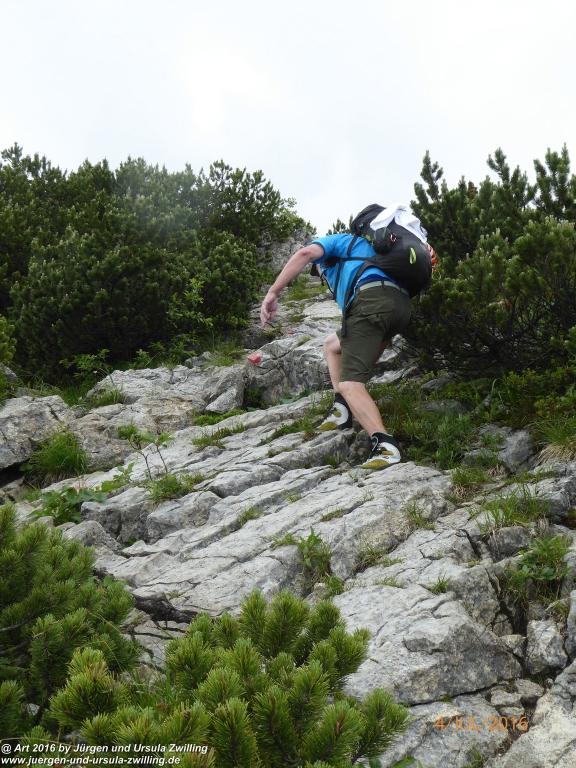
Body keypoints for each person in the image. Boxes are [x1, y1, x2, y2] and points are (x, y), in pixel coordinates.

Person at [260, 203, 421, 470]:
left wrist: (273, 292)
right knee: (332, 345)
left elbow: (305, 252)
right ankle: (342, 410)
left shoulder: (340, 242)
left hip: (372, 302)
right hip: (399, 307)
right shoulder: (374, 251)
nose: (319, 272)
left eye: (318, 269)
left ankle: (385, 445)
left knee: (350, 383)